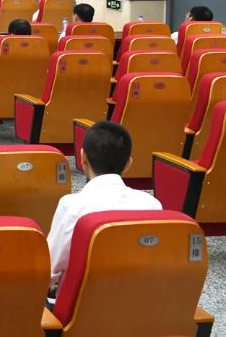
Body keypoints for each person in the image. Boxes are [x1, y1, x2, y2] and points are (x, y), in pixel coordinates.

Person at [46, 121, 161, 298]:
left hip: (82, 308)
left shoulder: (71, 206)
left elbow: (49, 271)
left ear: (83, 158)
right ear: (128, 164)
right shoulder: (152, 205)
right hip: (137, 303)